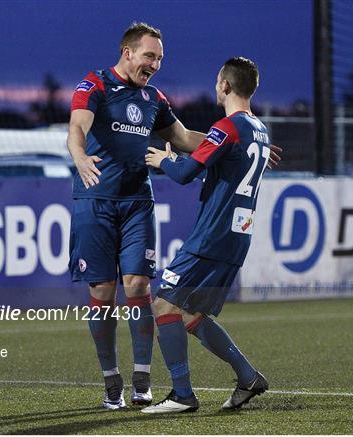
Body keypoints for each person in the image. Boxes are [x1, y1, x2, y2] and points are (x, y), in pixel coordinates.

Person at [66, 22, 209, 410]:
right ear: (128, 52)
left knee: (138, 287)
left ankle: (142, 378)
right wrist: (79, 157)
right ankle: (111, 380)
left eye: (160, 58)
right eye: (150, 56)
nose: (156, 64)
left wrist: (230, 140)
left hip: (137, 204)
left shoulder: (153, 98)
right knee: (101, 293)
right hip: (93, 203)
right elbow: (77, 127)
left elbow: (181, 137)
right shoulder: (93, 85)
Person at [141, 57, 274, 413]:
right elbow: (220, 173)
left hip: (212, 235)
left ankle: (182, 395)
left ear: (226, 86)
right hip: (237, 235)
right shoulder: (259, 130)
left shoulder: (227, 128)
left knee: (164, 302)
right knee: (187, 313)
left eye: (218, 82)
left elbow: (185, 174)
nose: (216, 87)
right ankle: (247, 376)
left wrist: (162, 162)